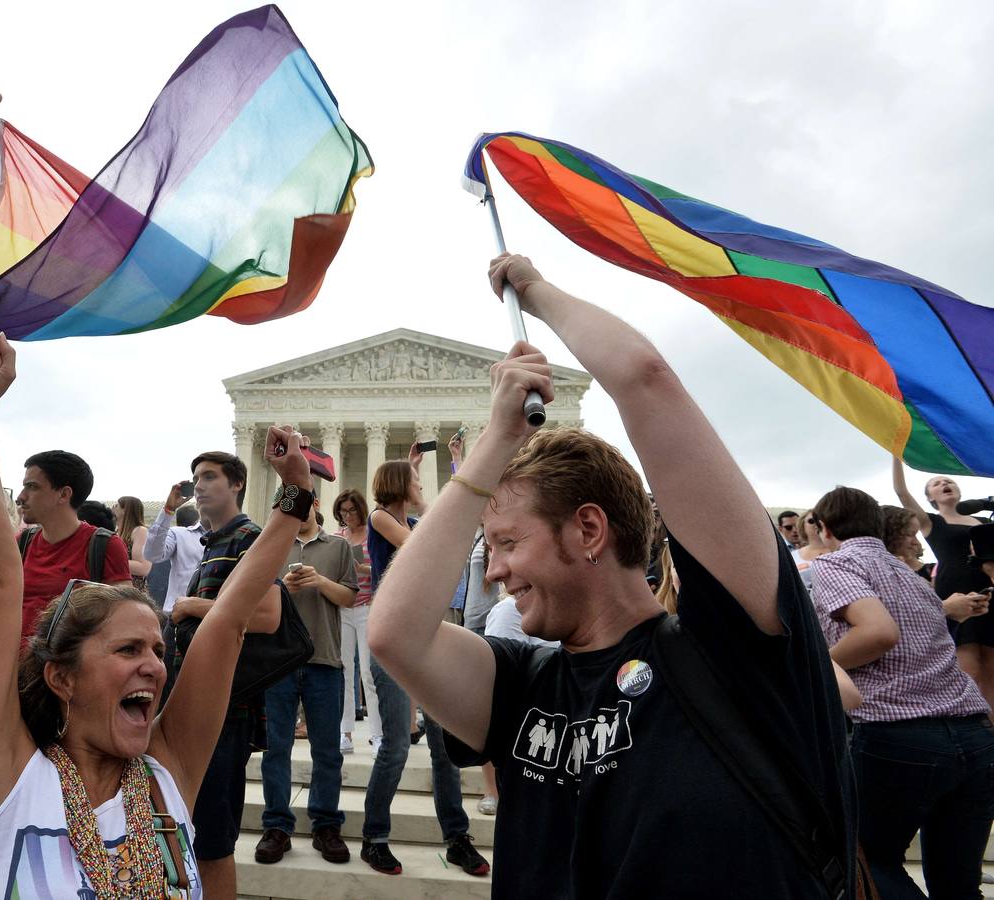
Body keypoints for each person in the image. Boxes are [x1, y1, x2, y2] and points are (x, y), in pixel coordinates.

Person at [367, 253, 856, 898]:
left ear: (589, 530)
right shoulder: (523, 685)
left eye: (509, 542)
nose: (497, 571)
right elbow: (394, 634)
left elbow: (645, 379)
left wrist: (535, 292)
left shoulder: (738, 656)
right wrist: (491, 449)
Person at [0, 334, 313, 898]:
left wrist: (297, 494)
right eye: (129, 650)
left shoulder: (167, 774)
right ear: (61, 676)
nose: (155, 667)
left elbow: (229, 621)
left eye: (158, 650)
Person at [811, 486, 993, 898]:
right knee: (959, 884)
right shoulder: (909, 576)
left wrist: (820, 666)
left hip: (898, 736)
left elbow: (877, 633)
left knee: (874, 863)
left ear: (824, 528)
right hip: (974, 733)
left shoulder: (837, 563)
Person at [361, 455, 488, 878]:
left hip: (428, 638)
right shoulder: (380, 517)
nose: (420, 485)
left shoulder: (412, 522)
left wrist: (419, 479)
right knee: (396, 744)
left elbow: (439, 532)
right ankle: (374, 838)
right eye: (415, 479)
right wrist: (420, 504)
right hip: (393, 638)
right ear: (398, 483)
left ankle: (456, 838)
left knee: (443, 748)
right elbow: (422, 544)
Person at [165, 448, 282, 898]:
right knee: (195, 834)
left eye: (210, 476)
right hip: (198, 706)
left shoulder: (248, 538)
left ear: (237, 485)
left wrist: (192, 606)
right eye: (197, 476)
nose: (200, 484)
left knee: (213, 841)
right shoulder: (215, 543)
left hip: (224, 710)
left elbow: (268, 615)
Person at [255, 501, 357, 866]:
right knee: (275, 750)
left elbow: (349, 597)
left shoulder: (338, 546)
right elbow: (255, 601)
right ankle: (277, 826)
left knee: (327, 752)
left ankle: (325, 824)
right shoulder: (271, 547)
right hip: (279, 662)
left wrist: (320, 581)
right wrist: (287, 590)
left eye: (299, 505)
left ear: (314, 506)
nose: (293, 513)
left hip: (325, 659)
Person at [893, 458, 994, 704]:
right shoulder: (932, 522)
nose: (945, 483)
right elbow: (901, 491)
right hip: (956, 596)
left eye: (948, 480)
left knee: (991, 673)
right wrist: (896, 454)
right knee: (970, 671)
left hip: (989, 593)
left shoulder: (986, 523)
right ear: (930, 498)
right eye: (937, 483)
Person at [16, 450, 131, 639]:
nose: (21, 496)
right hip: (14, 665)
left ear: (64, 494)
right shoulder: (23, 542)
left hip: (67, 666)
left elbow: (123, 620)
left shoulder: (105, 546)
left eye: (32, 487)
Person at [333, 488, 378, 755]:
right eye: (342, 512)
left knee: (370, 674)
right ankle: (345, 732)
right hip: (343, 607)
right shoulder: (338, 537)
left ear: (360, 510)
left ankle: (378, 733)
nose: (347, 516)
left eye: (351, 511)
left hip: (368, 606)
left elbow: (386, 570)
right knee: (344, 672)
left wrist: (361, 568)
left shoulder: (373, 535)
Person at [144, 482, 207, 618]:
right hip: (177, 620)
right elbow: (152, 555)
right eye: (197, 480)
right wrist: (168, 510)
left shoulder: (238, 536)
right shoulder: (179, 534)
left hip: (216, 620)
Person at [115, 495, 152, 592]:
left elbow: (143, 567)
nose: (113, 508)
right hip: (116, 591)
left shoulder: (140, 531)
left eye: (117, 505)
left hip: (133, 593)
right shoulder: (116, 531)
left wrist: (110, 561)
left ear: (125, 510)